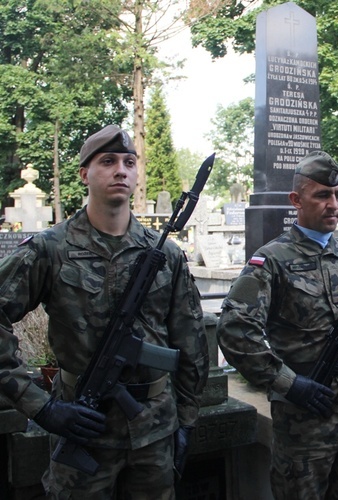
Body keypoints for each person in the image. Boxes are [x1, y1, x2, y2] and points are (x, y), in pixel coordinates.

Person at [0, 125, 209, 498]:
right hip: (82, 427)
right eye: (108, 161)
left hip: (154, 431)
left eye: (129, 163)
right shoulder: (51, 249)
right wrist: (41, 407)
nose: (121, 171)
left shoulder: (165, 254)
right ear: (84, 174)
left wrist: (186, 421)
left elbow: (190, 341)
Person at [217, 151, 338, 499]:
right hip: (303, 424)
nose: (333, 204)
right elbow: (235, 330)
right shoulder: (271, 260)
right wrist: (289, 383)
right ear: (296, 200)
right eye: (322, 195)